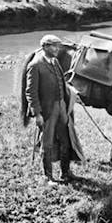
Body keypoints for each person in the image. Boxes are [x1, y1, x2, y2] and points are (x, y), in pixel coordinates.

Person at [25, 34, 83, 184]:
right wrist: (37, 114)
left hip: (61, 107)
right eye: (53, 46)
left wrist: (71, 93)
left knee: (65, 140)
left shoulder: (55, 62)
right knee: (47, 143)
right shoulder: (35, 65)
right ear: (45, 47)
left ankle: (66, 172)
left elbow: (61, 82)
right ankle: (48, 177)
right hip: (48, 111)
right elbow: (30, 92)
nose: (57, 49)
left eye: (58, 45)